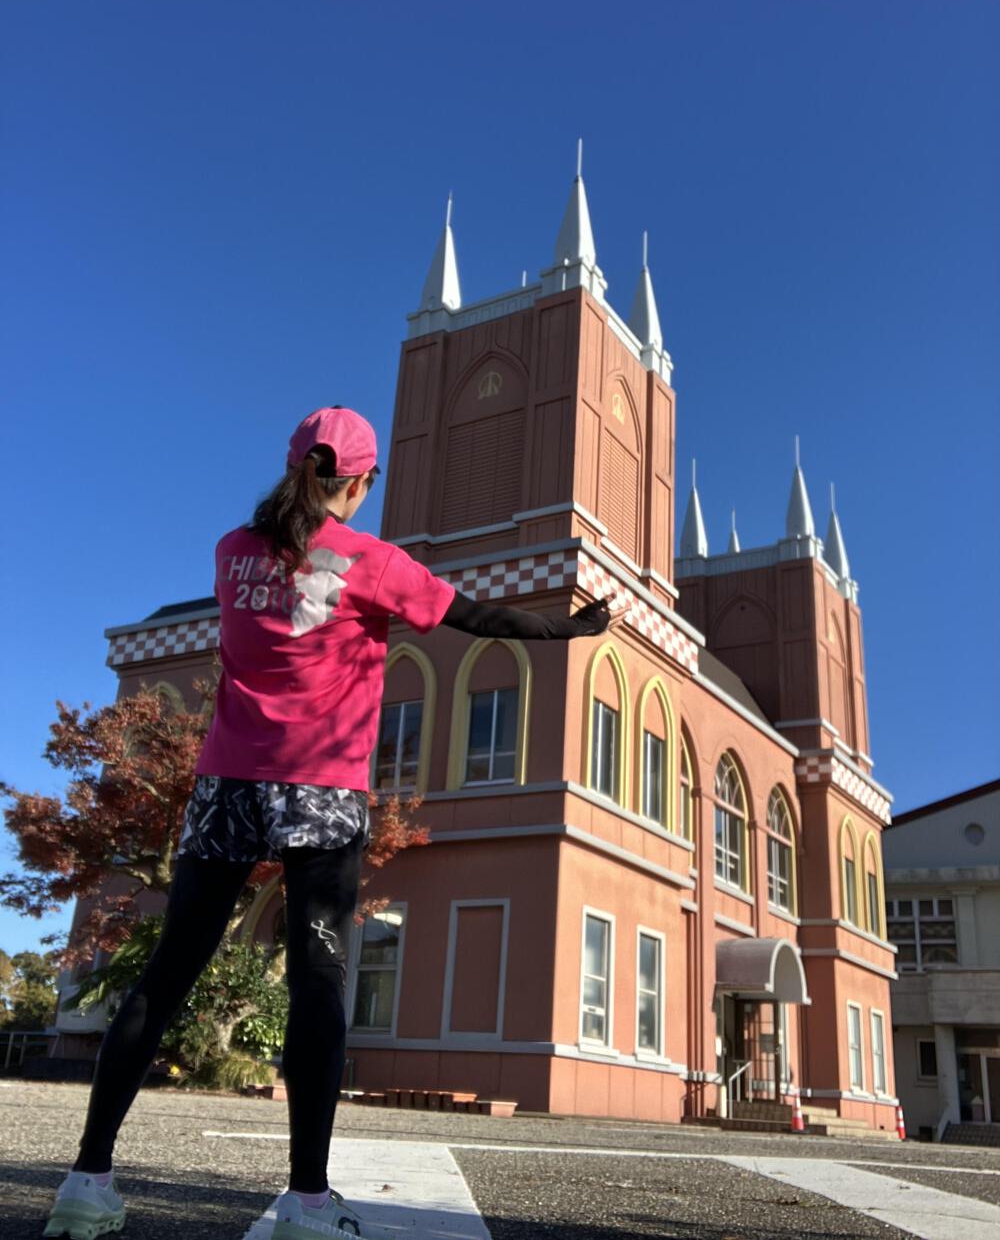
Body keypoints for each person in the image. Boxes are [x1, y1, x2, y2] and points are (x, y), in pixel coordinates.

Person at [45, 406, 622, 1240]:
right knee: (318, 981)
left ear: (293, 467)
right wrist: (571, 627)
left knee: (165, 977)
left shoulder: (230, 553)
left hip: (228, 786)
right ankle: (308, 1205)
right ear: (361, 482)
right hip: (322, 792)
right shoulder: (374, 562)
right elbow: (481, 617)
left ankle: (85, 1182)